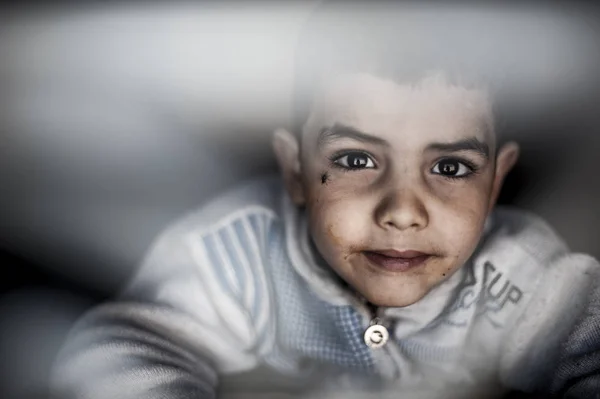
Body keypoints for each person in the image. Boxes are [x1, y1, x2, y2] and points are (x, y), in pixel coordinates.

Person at [50, 1, 600, 398]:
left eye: (450, 167)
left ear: (496, 183)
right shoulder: (240, 252)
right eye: (357, 161)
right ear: (295, 170)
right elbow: (120, 342)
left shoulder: (521, 275)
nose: (403, 212)